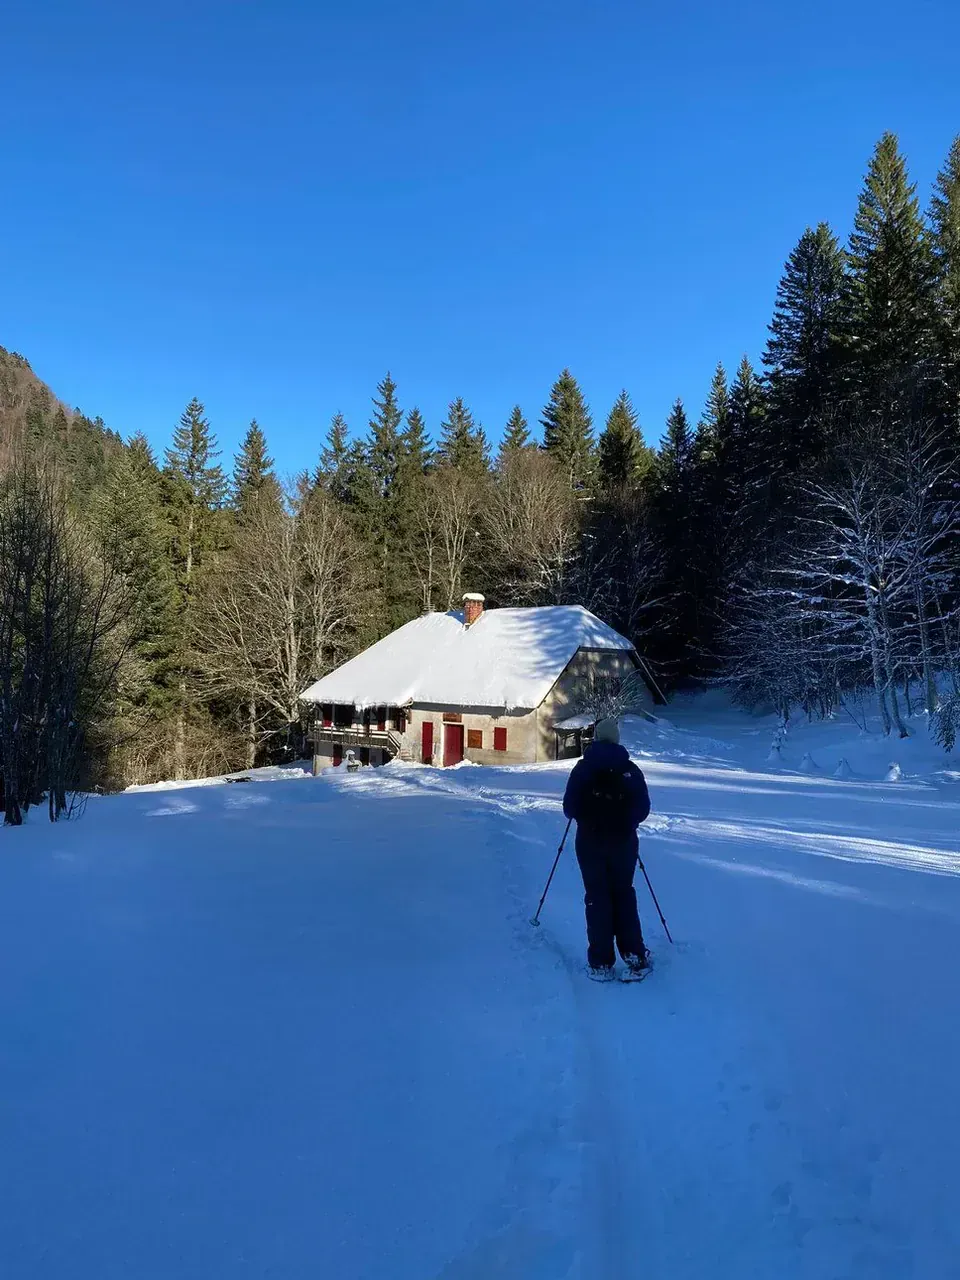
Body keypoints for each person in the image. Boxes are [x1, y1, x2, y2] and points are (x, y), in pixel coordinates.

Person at [562, 717, 651, 981]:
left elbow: (569, 808)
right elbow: (642, 809)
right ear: (617, 739)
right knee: (623, 894)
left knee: (597, 897)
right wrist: (625, 822)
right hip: (623, 842)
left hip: (589, 842)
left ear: (596, 738)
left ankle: (601, 963)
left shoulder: (583, 769)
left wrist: (588, 816)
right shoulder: (630, 770)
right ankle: (635, 957)